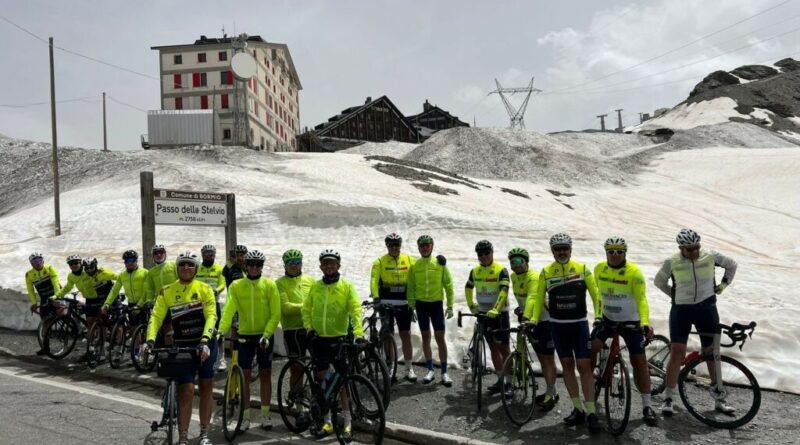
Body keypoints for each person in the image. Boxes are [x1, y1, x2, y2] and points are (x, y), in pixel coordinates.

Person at [654, 228, 738, 416]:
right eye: (690, 249)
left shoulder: (710, 256)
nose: (694, 252)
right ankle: (668, 398)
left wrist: (723, 285)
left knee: (711, 352)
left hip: (707, 308)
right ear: (681, 248)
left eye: (696, 248)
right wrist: (674, 296)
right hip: (681, 311)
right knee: (677, 352)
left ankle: (719, 398)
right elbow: (659, 281)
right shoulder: (672, 262)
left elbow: (732, 265)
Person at [143, 251, 217, 445]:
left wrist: (205, 340)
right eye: (182, 264)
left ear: (196, 268)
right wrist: (150, 340)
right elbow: (156, 316)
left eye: (190, 264)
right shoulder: (167, 290)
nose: (186, 267)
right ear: (177, 268)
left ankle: (204, 433)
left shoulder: (204, 289)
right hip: (183, 345)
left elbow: (211, 315)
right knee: (187, 390)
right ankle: (183, 436)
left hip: (205, 343)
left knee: (206, 387)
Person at [530, 233, 602, 433]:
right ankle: (578, 408)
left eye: (565, 248)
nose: (561, 252)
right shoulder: (546, 272)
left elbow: (596, 294)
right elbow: (537, 299)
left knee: (584, 367)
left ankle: (592, 412)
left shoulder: (582, 268)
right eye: (557, 249)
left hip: (579, 324)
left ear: (571, 249)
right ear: (552, 250)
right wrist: (533, 319)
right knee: (568, 367)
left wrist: (599, 315)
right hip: (558, 326)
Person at [591, 237, 657, 426]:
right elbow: (597, 295)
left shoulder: (634, 273)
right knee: (590, 350)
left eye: (619, 251)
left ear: (625, 252)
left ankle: (647, 406)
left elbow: (642, 299)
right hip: (607, 319)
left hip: (631, 321)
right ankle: (594, 384)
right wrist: (597, 315)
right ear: (606, 253)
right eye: (611, 251)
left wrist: (644, 322)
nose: (615, 255)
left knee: (639, 362)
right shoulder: (599, 269)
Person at [302, 249, 364, 439]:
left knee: (341, 383)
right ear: (321, 266)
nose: (329, 266)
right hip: (319, 339)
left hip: (339, 339)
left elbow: (355, 310)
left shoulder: (346, 286)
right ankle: (327, 422)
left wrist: (359, 334)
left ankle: (347, 423)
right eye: (326, 263)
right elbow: (306, 308)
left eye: (333, 263)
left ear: (339, 265)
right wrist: (309, 328)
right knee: (322, 381)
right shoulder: (316, 286)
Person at [218, 249, 281, 430]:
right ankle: (245, 417)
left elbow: (275, 314)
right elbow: (229, 310)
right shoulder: (237, 285)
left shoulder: (269, 285)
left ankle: (265, 414)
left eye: (258, 265)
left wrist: (267, 335)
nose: (254, 268)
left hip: (263, 336)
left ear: (262, 266)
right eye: (251, 264)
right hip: (245, 335)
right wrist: (220, 331)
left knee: (265, 374)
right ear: (246, 266)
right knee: (244, 376)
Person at [507, 247, 559, 411]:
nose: (515, 265)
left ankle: (551, 394)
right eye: (512, 262)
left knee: (548, 358)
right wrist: (520, 311)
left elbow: (532, 298)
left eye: (519, 261)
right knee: (541, 357)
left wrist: (527, 317)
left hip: (544, 321)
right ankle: (552, 391)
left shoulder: (534, 277)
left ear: (526, 261)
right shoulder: (514, 277)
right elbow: (522, 299)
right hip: (529, 321)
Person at [465, 240, 512, 396]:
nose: (484, 256)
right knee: (492, 347)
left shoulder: (500, 270)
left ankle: (510, 383)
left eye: (487, 253)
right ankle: (500, 380)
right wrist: (471, 305)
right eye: (480, 254)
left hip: (499, 314)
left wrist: (496, 309)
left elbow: (504, 290)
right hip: (483, 314)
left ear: (492, 252)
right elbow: (468, 287)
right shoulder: (475, 271)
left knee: (504, 349)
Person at [406, 235, 454, 386]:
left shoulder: (440, 264)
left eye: (427, 245)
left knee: (440, 337)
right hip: (421, 306)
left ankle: (444, 372)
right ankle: (430, 370)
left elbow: (449, 284)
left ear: (432, 246)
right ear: (418, 248)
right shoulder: (415, 265)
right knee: (425, 336)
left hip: (436, 305)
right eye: (422, 246)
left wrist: (450, 305)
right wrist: (412, 306)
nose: (425, 248)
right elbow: (411, 287)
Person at [371, 233, 417, 381]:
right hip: (386, 302)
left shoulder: (409, 260)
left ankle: (409, 369)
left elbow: (419, 276)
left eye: (396, 244)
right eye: (391, 245)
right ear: (387, 246)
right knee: (387, 336)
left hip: (404, 303)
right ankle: (390, 367)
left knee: (405, 335)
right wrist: (376, 298)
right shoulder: (380, 261)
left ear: (400, 245)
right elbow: (373, 280)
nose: (394, 247)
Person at [276, 248, 315, 421]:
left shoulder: (311, 281)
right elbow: (286, 308)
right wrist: (307, 306)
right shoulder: (279, 283)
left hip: (311, 328)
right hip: (292, 331)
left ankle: (316, 403)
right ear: (285, 265)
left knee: (318, 366)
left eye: (297, 262)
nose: (294, 266)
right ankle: (299, 408)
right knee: (297, 368)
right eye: (290, 263)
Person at [55, 256, 116, 340]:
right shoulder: (71, 276)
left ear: (80, 263)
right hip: (89, 300)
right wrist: (56, 295)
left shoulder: (88, 271)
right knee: (90, 323)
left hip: (99, 298)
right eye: (71, 264)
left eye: (76, 263)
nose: (74, 265)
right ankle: (91, 345)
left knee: (101, 324)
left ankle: (101, 345)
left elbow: (103, 276)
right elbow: (67, 288)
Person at [102, 250, 149, 347]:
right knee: (134, 329)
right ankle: (136, 351)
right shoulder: (122, 275)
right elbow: (114, 291)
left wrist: (140, 304)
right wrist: (107, 303)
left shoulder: (144, 273)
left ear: (136, 260)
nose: (129, 263)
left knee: (145, 330)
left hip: (144, 304)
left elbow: (147, 291)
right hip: (131, 304)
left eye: (131, 260)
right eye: (127, 261)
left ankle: (147, 350)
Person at [196, 244, 228, 371]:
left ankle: (221, 359)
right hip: (198, 305)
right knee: (199, 331)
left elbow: (223, 284)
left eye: (211, 254)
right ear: (202, 255)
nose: (209, 256)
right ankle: (200, 356)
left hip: (214, 304)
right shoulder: (197, 269)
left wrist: (216, 291)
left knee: (218, 332)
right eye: (206, 254)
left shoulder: (219, 269)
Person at [25, 252, 61, 355]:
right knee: (45, 323)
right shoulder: (29, 274)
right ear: (31, 264)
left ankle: (73, 328)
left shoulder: (49, 269)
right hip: (44, 298)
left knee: (62, 314)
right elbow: (30, 290)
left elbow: (56, 284)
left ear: (43, 261)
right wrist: (34, 303)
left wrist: (56, 297)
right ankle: (46, 347)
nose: (38, 263)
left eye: (40, 260)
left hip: (55, 294)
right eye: (35, 261)